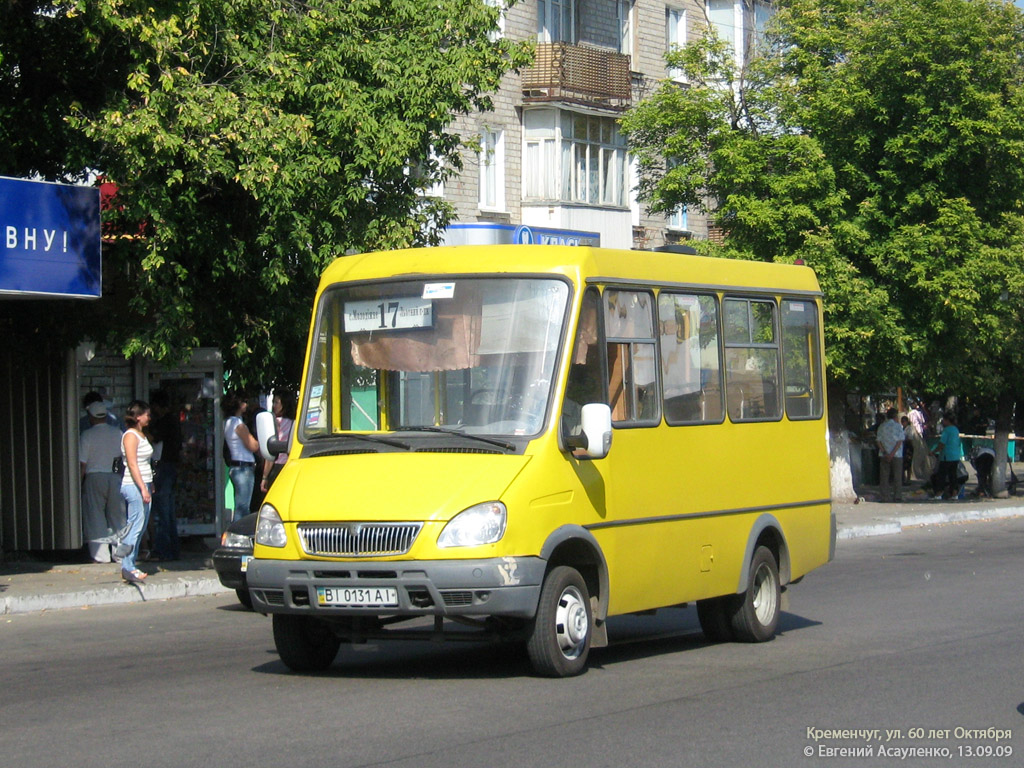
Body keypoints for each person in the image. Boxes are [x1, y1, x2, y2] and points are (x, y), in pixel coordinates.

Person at [79, 400, 128, 563]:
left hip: (94, 477)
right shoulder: (117, 433)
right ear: (106, 416)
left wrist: (79, 484)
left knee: (95, 517)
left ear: (91, 417)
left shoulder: (87, 435)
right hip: (115, 476)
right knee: (118, 517)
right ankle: (120, 554)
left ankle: (100, 556)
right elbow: (123, 459)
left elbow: (83, 463)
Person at [115, 400, 154, 584]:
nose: (149, 417)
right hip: (134, 485)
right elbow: (132, 463)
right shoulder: (130, 436)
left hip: (144, 483)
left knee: (141, 526)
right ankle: (127, 566)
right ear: (138, 416)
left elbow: (145, 463)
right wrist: (142, 487)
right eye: (146, 414)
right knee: (135, 526)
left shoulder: (141, 434)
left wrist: (149, 484)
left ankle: (130, 564)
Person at [148, 389, 181, 561]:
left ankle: (164, 549)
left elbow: (155, 437)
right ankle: (171, 548)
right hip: (170, 466)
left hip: (164, 467)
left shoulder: (166, 422)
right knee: (167, 509)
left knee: (162, 510)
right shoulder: (173, 421)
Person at [223, 392, 259, 523]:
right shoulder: (238, 424)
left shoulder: (227, 422)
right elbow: (253, 446)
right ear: (238, 405)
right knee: (243, 507)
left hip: (235, 466)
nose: (246, 404)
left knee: (239, 504)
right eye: (243, 402)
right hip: (244, 467)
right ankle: (239, 536)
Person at [260, 390, 295, 494]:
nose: (273, 406)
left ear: (284, 404)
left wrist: (265, 477)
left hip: (278, 466)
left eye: (276, 402)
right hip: (291, 465)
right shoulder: (296, 423)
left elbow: (271, 453)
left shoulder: (275, 423)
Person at [876, 408, 905, 502]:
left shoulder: (882, 426)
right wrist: (892, 454)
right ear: (895, 416)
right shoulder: (898, 427)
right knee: (897, 476)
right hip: (896, 455)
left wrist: (885, 452)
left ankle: (884, 496)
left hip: (884, 454)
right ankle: (897, 496)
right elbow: (900, 441)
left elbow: (878, 441)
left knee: (884, 477)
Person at [933, 413, 962, 500]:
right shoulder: (956, 430)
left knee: (942, 476)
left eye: (944, 420)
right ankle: (954, 494)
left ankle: (939, 494)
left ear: (947, 420)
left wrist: (933, 451)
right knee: (953, 476)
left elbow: (942, 444)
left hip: (946, 456)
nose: (943, 422)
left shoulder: (947, 430)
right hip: (955, 456)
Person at [900, 416, 915, 483]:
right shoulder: (901, 428)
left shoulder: (909, 429)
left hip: (908, 447)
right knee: (902, 463)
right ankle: (903, 478)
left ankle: (908, 479)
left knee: (908, 464)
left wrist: (904, 439)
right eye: (902, 422)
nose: (903, 423)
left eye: (904, 421)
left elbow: (910, 438)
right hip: (902, 447)